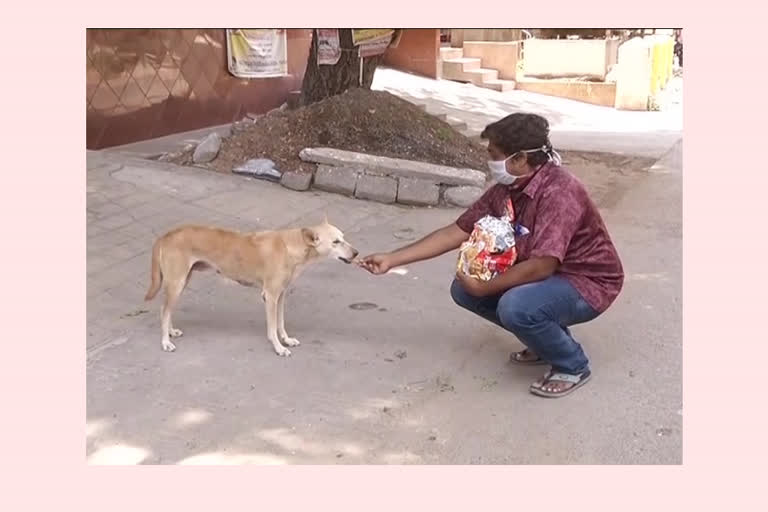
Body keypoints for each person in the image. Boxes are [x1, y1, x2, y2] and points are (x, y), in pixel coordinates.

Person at [358, 113, 624, 398]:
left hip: (588, 283)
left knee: (515, 306)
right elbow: (456, 231)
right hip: (549, 276)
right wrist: (392, 259)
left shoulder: (560, 192)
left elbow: (542, 267)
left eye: (494, 155)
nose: (490, 162)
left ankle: (572, 364)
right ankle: (545, 339)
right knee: (464, 290)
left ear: (521, 158)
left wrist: (485, 287)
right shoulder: (506, 189)